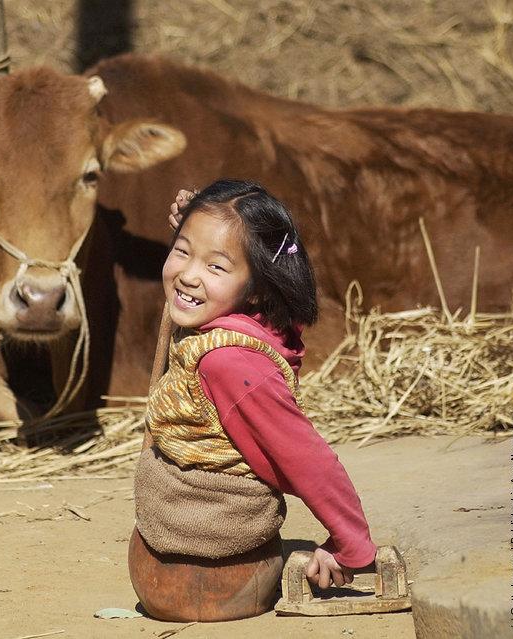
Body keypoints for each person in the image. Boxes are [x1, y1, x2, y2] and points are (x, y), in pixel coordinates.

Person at [134, 179, 376, 610]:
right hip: (190, 565)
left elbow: (307, 458)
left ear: (259, 289)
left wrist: (349, 544)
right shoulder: (250, 325)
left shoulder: (228, 364)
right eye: (182, 250)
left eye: (216, 267)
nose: (188, 274)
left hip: (211, 581)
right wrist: (203, 232)